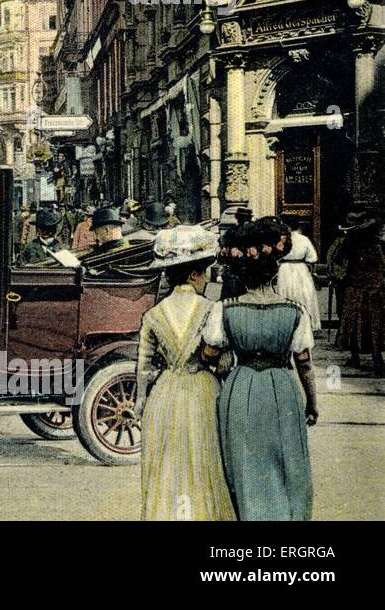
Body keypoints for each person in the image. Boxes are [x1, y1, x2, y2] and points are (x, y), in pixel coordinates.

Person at [204, 220, 317, 520]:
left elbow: (209, 352)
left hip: (240, 387)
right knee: (287, 458)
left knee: (243, 460)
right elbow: (303, 362)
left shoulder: (224, 309)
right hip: (282, 386)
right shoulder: (295, 311)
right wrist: (312, 403)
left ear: (240, 274)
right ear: (276, 271)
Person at [133, 226, 234, 520]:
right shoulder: (211, 309)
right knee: (202, 463)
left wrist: (141, 401)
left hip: (165, 394)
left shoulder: (153, 314)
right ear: (193, 275)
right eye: (203, 273)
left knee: (170, 465)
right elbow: (223, 362)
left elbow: (143, 366)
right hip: (202, 390)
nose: (206, 279)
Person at [326, 208, 384, 374]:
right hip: (366, 288)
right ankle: (372, 355)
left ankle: (361, 355)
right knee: (371, 322)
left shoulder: (348, 243)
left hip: (360, 288)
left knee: (358, 322)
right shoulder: (372, 245)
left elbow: (335, 263)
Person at [277, 225, 320, 329]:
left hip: (285, 269)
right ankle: (306, 324)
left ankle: (286, 324)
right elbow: (313, 257)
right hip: (301, 269)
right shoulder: (304, 239)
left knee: (286, 292)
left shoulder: (280, 239)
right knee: (304, 295)